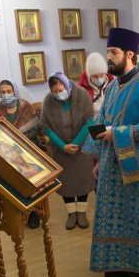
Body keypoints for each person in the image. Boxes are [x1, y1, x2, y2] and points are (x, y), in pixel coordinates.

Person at [82, 27, 139, 277]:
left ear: (129, 54)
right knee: (113, 217)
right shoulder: (112, 87)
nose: (108, 57)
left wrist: (118, 133)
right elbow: (101, 121)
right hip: (111, 166)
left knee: (138, 219)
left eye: (114, 52)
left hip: (138, 168)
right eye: (108, 52)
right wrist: (98, 159)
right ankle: (116, 268)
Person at [41, 72, 96, 230]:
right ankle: (71, 213)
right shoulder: (48, 101)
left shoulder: (82, 95)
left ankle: (81, 213)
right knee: (66, 182)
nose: (59, 94)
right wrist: (63, 146)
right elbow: (46, 127)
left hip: (81, 146)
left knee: (82, 179)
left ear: (67, 85)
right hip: (60, 149)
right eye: (55, 92)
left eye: (61, 90)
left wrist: (75, 144)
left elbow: (89, 121)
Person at [0, 80, 41, 228]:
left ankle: (33, 214)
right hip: (7, 152)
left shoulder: (25, 106)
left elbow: (35, 129)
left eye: (9, 91)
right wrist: (7, 143)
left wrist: (19, 141)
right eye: (3, 92)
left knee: (31, 184)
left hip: (28, 150)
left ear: (15, 91)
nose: (6, 94)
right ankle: (19, 215)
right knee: (14, 185)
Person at [78, 52, 114, 116]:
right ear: (89, 75)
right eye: (95, 76)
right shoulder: (81, 89)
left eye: (101, 75)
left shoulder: (113, 84)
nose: (99, 78)